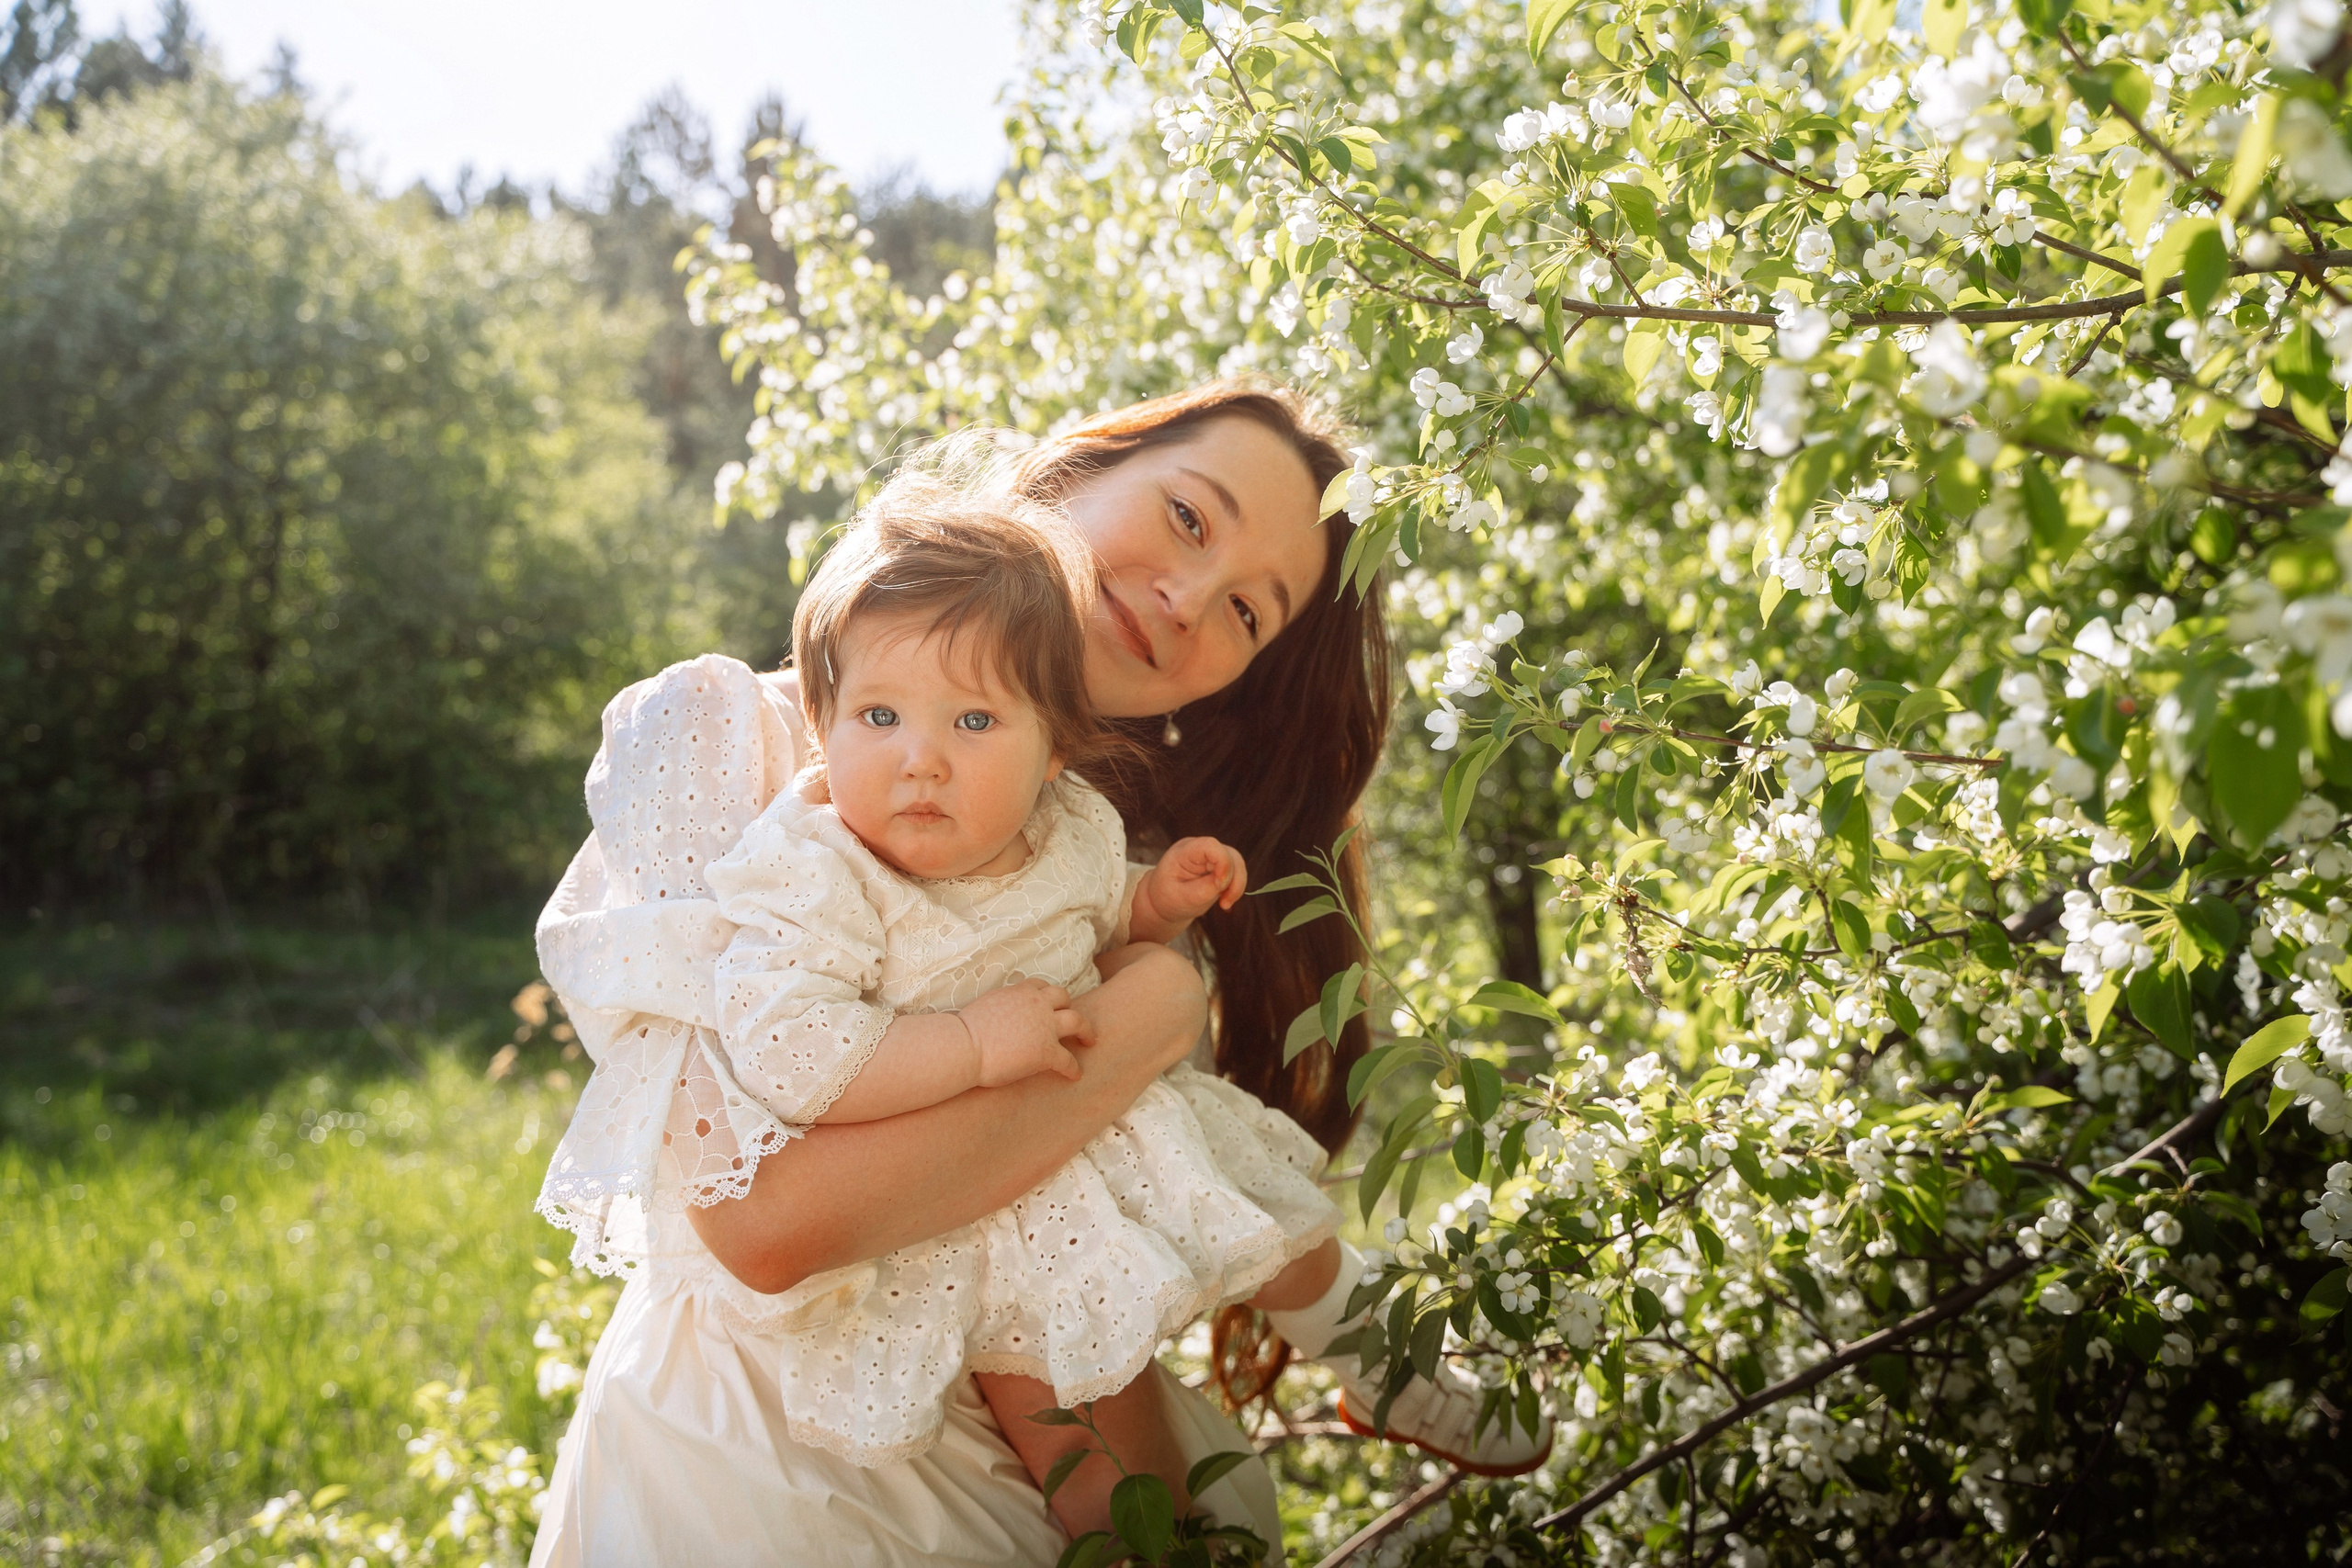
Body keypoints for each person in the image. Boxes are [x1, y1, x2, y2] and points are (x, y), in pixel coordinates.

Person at [527, 381, 1549, 1568]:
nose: (1184, 598)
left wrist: (1156, 970)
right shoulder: (726, 738)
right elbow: (767, 1225)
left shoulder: (1090, 853)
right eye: (1185, 518)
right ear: (1073, 471)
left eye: (1246, 614)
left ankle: (1377, 1340)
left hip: (1037, 1479)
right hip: (759, 1486)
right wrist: (1142, 1022)